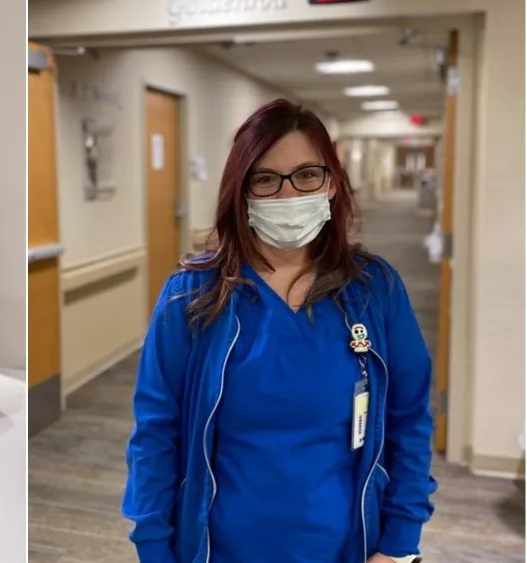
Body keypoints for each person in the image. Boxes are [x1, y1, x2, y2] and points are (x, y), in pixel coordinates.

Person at [122, 99, 436, 563]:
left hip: (348, 546)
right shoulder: (192, 295)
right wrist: (153, 547)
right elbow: (155, 432)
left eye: (306, 175)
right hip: (219, 548)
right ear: (241, 190)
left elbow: (410, 420)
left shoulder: (374, 289)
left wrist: (399, 543)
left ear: (332, 182)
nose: (288, 196)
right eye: (266, 179)